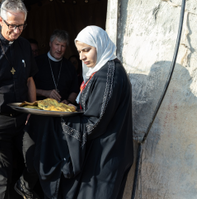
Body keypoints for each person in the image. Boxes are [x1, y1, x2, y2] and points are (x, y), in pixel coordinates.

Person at [26, 25, 134, 199]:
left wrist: (60, 121)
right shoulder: (106, 70)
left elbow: (94, 123)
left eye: (87, 50)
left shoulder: (107, 75)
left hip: (105, 155)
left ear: (99, 45)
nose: (82, 56)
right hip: (103, 152)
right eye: (79, 51)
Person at [0, 0, 38, 199]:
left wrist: (33, 109)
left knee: (33, 160)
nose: (17, 30)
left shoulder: (25, 47)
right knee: (3, 172)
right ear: (0, 21)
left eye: (21, 25)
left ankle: (23, 188)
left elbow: (30, 80)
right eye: (12, 25)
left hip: (23, 117)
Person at [34, 29, 79, 104]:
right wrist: (45, 93)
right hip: (40, 110)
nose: (59, 49)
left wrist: (68, 101)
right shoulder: (36, 62)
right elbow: (26, 87)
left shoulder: (70, 67)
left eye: (63, 46)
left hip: (62, 111)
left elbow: (74, 90)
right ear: (50, 44)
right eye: (57, 44)